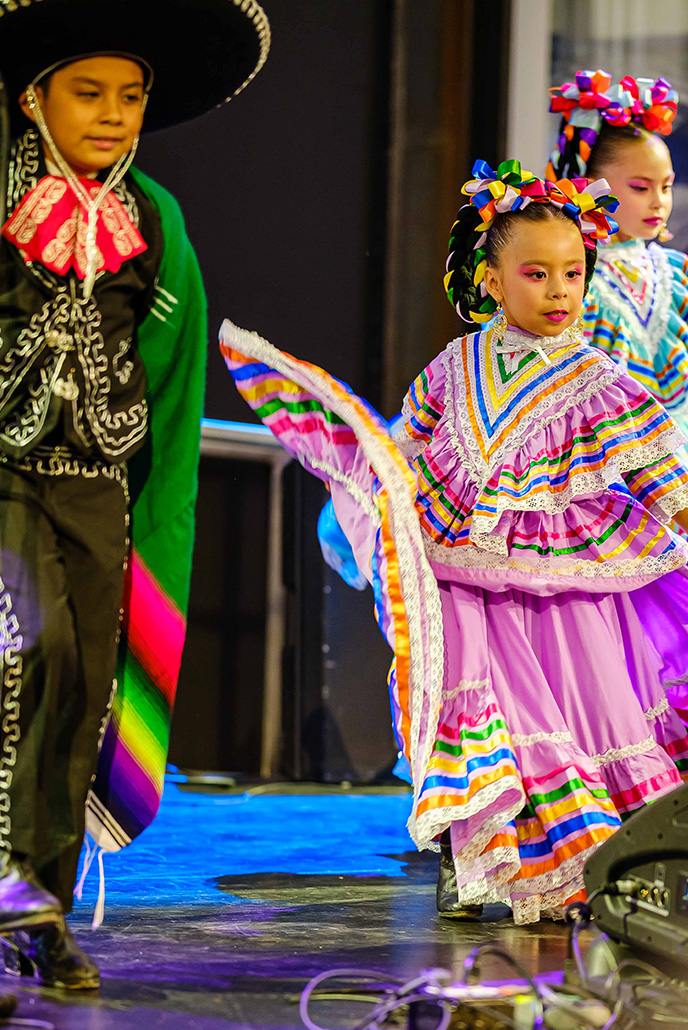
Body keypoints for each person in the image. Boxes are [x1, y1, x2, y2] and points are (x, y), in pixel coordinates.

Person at [219, 159, 688, 925]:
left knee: (580, 712)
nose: (560, 291)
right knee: (462, 704)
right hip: (457, 566)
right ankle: (469, 853)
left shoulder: (598, 376)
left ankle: (599, 860)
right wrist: (370, 485)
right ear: (492, 282)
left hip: (567, 578)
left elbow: (653, 467)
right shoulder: (454, 366)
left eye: (573, 273)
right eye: (537, 274)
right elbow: (407, 445)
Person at [0, 0, 270, 989]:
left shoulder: (152, 219)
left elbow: (172, 367)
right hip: (4, 478)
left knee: (83, 690)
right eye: (88, 92)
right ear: (33, 99)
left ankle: (38, 904)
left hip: (95, 487)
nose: (112, 114)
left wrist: (148, 505)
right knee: (27, 659)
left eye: (130, 96)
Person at [547, 70, 688, 535]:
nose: (658, 202)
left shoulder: (676, 275)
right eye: (640, 187)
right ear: (588, 185)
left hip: (681, 454)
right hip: (598, 458)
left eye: (667, 186)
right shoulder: (571, 276)